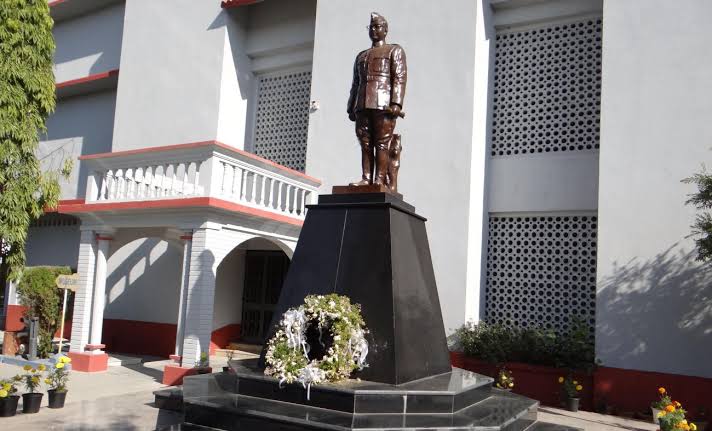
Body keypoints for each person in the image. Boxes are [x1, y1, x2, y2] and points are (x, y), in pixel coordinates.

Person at [347, 12, 407, 188]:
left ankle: (379, 180)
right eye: (371, 27)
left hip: (383, 104)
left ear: (385, 30)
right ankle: (366, 178)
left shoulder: (393, 50)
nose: (373, 30)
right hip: (362, 104)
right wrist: (351, 106)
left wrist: (396, 103)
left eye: (377, 26)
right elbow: (355, 83)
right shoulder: (361, 56)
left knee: (381, 143)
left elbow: (399, 77)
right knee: (365, 143)